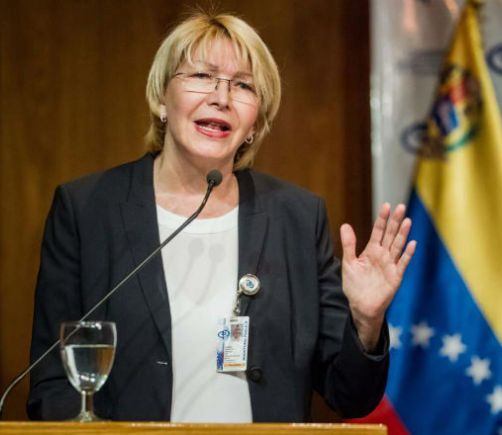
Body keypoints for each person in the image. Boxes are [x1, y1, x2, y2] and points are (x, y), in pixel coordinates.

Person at [28, 11, 416, 422]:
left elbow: (350, 395)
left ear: (255, 123)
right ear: (161, 98)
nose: (222, 97)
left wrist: (367, 321)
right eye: (202, 76)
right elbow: (52, 385)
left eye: (243, 85)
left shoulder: (297, 218)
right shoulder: (87, 209)